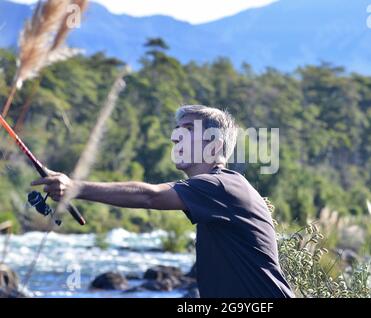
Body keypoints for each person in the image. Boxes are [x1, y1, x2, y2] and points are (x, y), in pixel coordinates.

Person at [31, 105, 294, 298]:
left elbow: (150, 196)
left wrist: (74, 188)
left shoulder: (221, 185)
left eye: (188, 130)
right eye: (177, 131)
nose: (175, 137)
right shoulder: (211, 188)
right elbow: (154, 192)